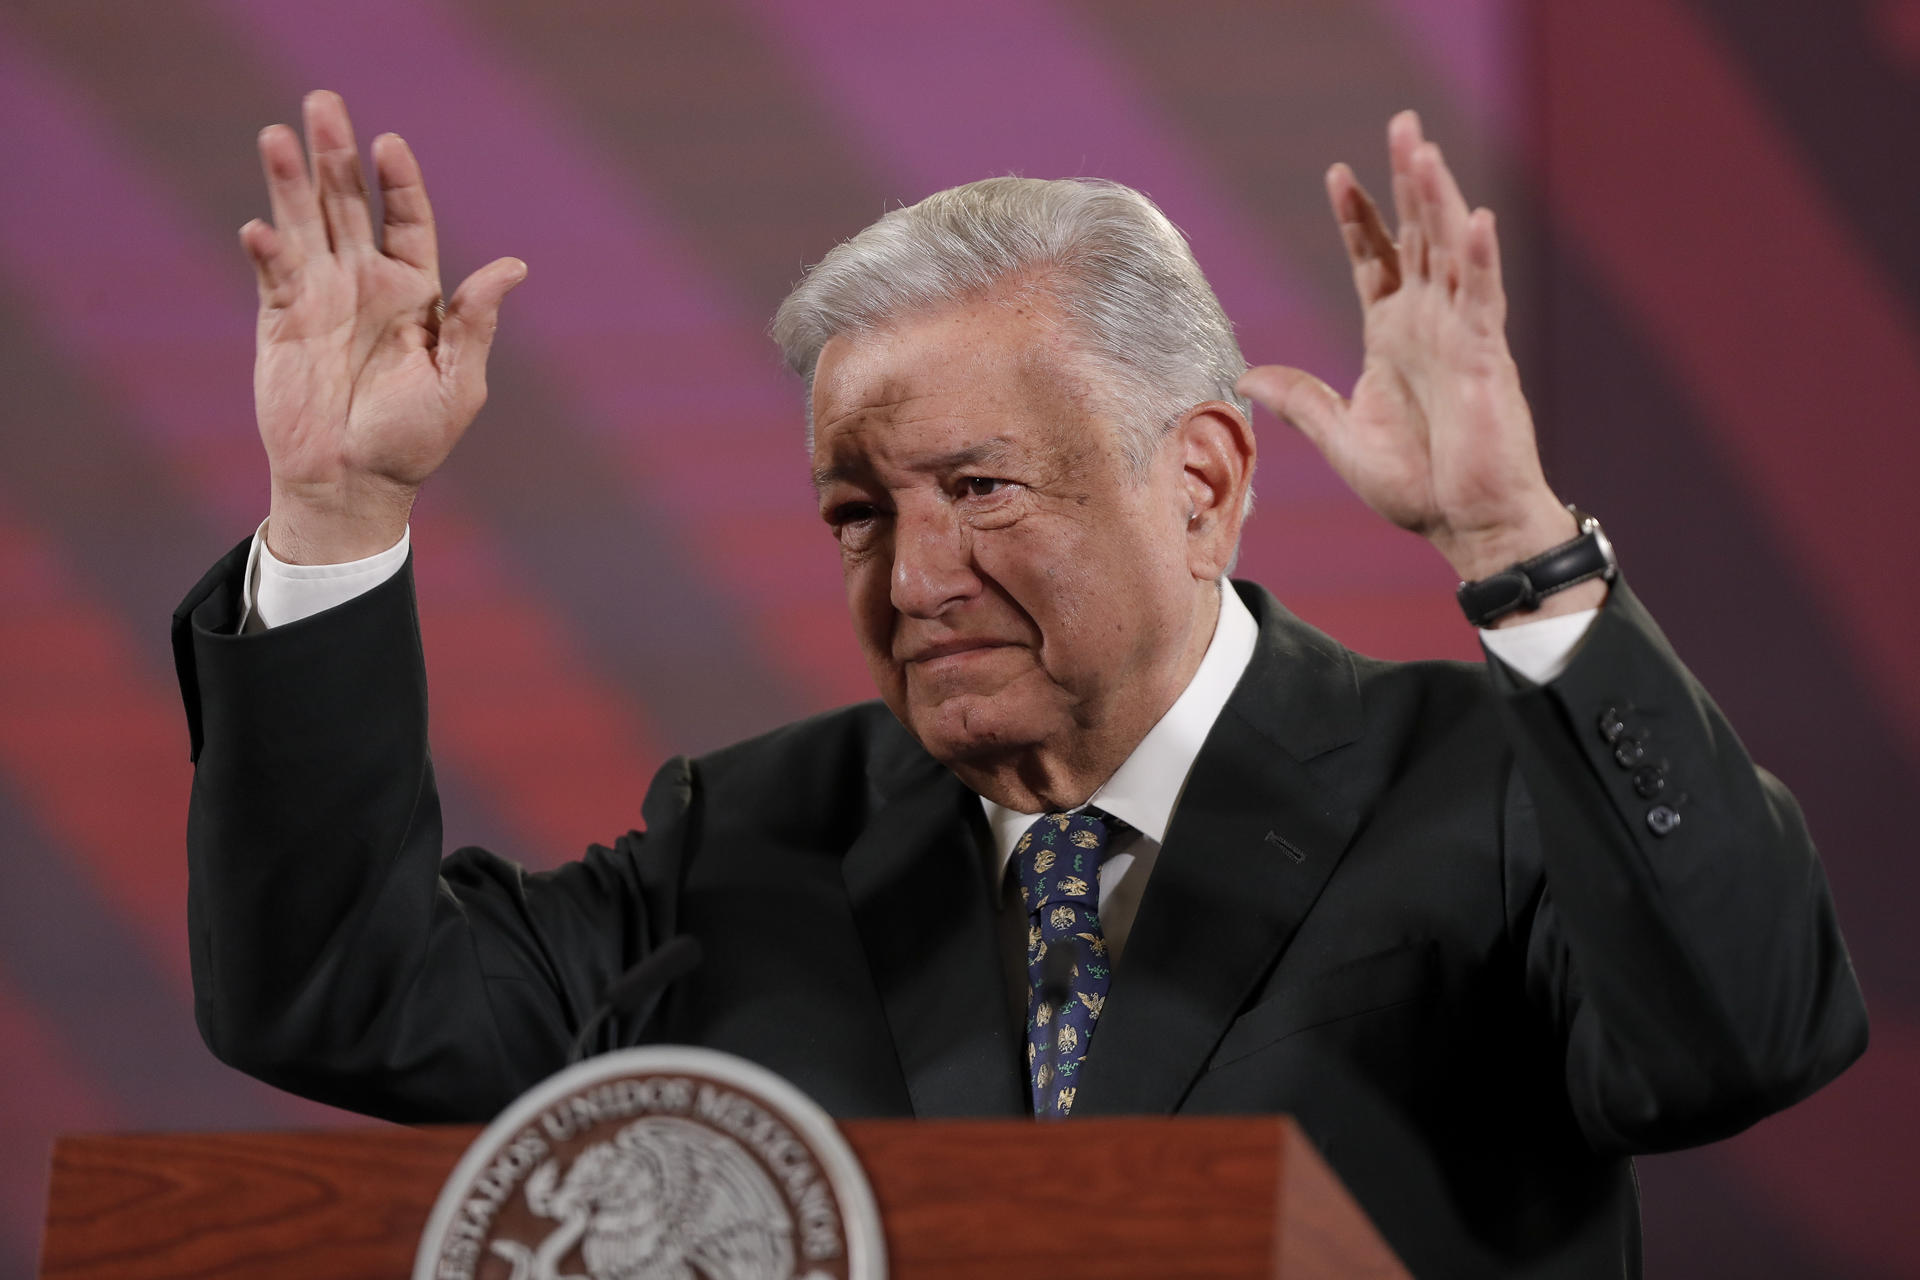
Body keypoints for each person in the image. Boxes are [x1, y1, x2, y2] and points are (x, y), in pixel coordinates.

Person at [173, 90, 1866, 1277]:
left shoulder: (1484, 789)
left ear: (1199, 482)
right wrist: (336, 509)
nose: (910, 582)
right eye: (859, 512)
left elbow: (1743, 1037)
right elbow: (338, 998)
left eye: (981, 490)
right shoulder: (749, 838)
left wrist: (1516, 544)